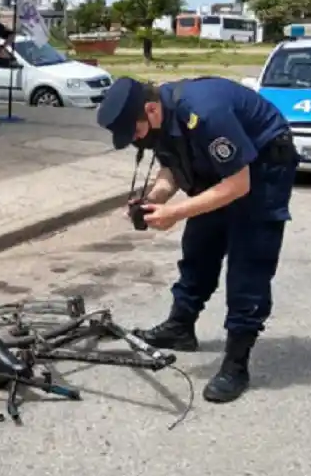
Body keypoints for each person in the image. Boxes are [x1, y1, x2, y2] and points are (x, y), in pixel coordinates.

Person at [95, 76, 298, 404]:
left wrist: (176, 213)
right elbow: (171, 169)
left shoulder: (204, 113)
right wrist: (156, 198)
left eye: (134, 132)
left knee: (249, 260)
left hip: (262, 166)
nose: (135, 140)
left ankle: (236, 363)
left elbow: (238, 184)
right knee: (199, 245)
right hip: (221, 171)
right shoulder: (161, 118)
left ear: (150, 109)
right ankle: (180, 327)